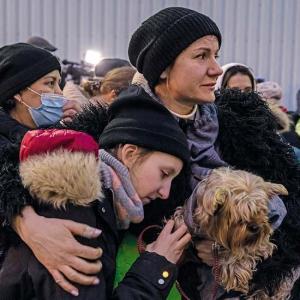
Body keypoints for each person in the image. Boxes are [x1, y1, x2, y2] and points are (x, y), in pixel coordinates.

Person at [126, 6, 298, 299]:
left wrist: (247, 243)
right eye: (201, 56)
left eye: (216, 55)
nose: (216, 69)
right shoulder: (123, 131)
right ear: (164, 67)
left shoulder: (242, 124)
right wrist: (25, 221)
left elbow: (293, 191)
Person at [0, 95, 191, 299]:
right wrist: (156, 266)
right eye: (164, 173)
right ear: (130, 154)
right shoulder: (76, 208)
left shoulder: (103, 207)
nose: (165, 193)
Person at [0, 43, 92, 292]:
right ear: (18, 92)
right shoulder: (5, 149)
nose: (60, 94)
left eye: (59, 84)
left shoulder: (57, 138)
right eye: (49, 83)